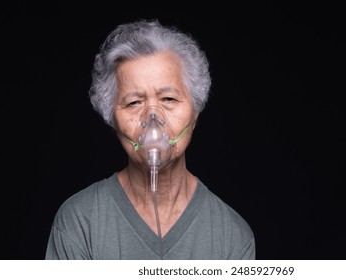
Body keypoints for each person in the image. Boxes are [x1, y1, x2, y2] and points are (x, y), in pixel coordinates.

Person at [45, 19, 255, 260]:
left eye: (169, 99)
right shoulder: (80, 223)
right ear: (112, 119)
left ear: (195, 114)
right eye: (134, 103)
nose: (153, 119)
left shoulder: (231, 236)